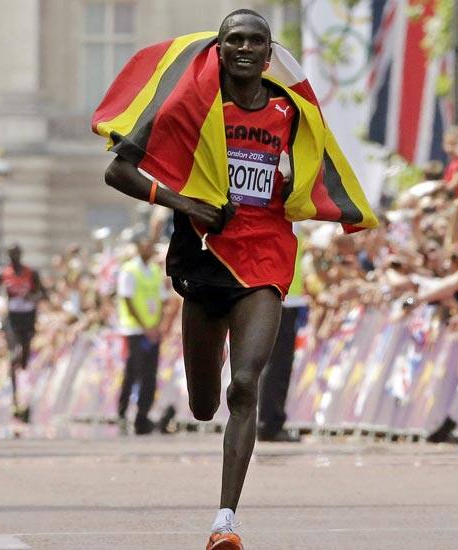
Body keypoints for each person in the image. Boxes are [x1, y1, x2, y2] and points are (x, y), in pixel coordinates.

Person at [96, 9, 376, 549]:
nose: (246, 49)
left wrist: (314, 195)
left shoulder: (290, 113)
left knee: (245, 386)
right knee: (204, 405)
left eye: (256, 41)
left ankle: (225, 521)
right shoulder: (189, 108)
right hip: (203, 261)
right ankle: (211, 355)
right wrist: (185, 202)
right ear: (218, 50)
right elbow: (117, 170)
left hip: (266, 257)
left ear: (269, 54)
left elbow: (317, 170)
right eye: (235, 40)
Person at [116, 238, 168, 435]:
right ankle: (122, 412)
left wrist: (157, 326)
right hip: (135, 331)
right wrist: (145, 327)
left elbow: (162, 300)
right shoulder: (129, 270)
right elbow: (127, 300)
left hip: (152, 331)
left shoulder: (155, 271)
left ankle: (142, 416)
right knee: (133, 372)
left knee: (150, 375)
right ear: (139, 248)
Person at [0, 243, 43, 422]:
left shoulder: (32, 273)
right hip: (11, 319)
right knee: (14, 354)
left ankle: (24, 398)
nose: (13, 257)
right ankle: (15, 398)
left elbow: (42, 294)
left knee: (24, 360)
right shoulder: (2, 275)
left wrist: (31, 297)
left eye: (16, 254)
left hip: (28, 318)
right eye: (10, 254)